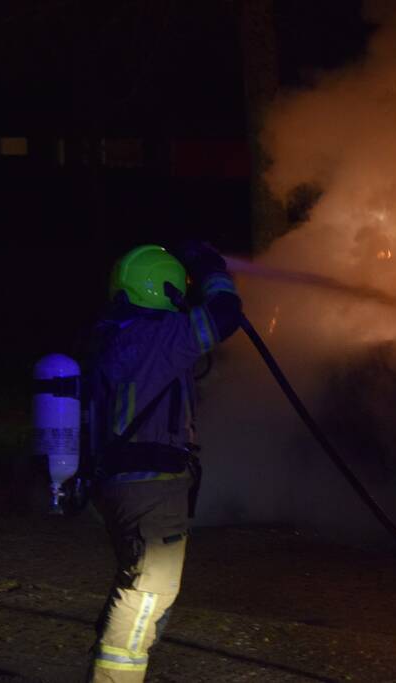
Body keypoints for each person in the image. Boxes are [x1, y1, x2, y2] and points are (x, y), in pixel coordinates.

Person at [84, 243, 241, 682]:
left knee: (138, 583)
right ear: (166, 289)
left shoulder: (116, 334)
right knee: (146, 593)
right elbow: (225, 314)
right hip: (152, 489)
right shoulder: (159, 336)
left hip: (120, 484)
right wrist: (212, 270)